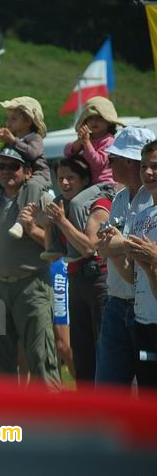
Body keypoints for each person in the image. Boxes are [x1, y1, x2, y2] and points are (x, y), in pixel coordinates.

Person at [0, 148, 61, 386]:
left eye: (13, 166)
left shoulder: (41, 198)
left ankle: (51, 417)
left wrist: (32, 229)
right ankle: (5, 416)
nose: (6, 171)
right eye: (1, 166)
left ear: (27, 172)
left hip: (32, 286)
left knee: (41, 357)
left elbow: (57, 248)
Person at [96, 126, 156, 386]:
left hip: (144, 308)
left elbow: (142, 250)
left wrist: (117, 244)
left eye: (113, 160)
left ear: (130, 162)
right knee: (109, 388)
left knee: (147, 387)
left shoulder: (152, 198)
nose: (109, 165)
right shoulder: (120, 198)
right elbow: (113, 249)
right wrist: (111, 246)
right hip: (117, 301)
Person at [44, 157, 111, 386]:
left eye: (70, 177)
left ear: (84, 180)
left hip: (99, 280)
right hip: (75, 278)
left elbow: (89, 246)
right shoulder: (64, 205)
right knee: (81, 351)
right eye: (60, 177)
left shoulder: (99, 203)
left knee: (104, 349)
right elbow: (51, 253)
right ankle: (85, 407)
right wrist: (48, 223)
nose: (64, 182)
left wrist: (62, 221)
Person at [0, 97, 51, 239]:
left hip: (38, 175)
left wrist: (12, 141)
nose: (8, 123)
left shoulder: (34, 138)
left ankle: (21, 222)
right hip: (20, 178)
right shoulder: (10, 140)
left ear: (28, 121)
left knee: (32, 186)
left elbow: (32, 153)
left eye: (13, 119)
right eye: (8, 119)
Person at [51, 97, 123, 261]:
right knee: (57, 203)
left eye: (99, 118)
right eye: (90, 118)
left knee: (76, 203)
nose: (94, 121)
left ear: (109, 121)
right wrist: (80, 142)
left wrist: (87, 144)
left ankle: (75, 250)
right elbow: (68, 152)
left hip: (106, 185)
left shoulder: (110, 141)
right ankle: (57, 245)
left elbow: (99, 164)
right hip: (92, 186)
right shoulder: (87, 140)